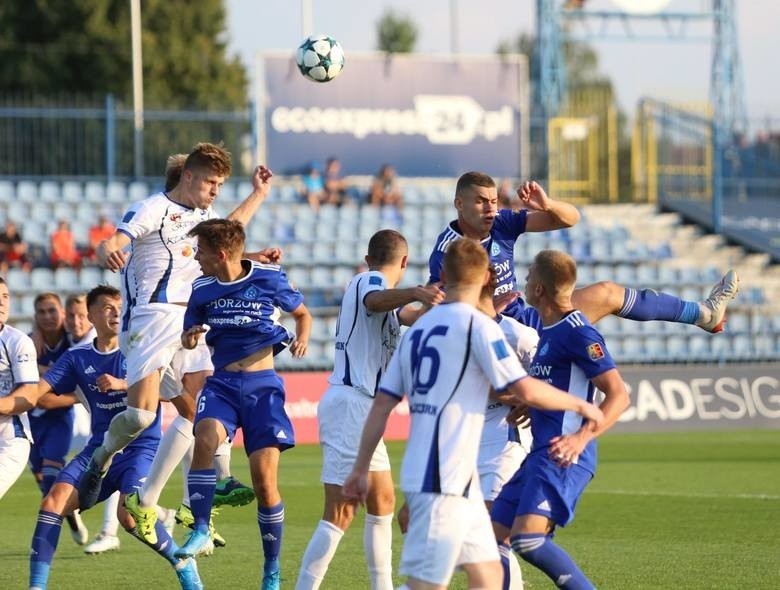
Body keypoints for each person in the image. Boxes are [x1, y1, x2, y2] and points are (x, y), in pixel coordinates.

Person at [343, 238, 604, 590]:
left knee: (489, 575)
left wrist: (360, 467)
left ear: (444, 276)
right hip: (444, 480)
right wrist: (580, 404)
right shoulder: (479, 327)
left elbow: (382, 406)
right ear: (485, 278)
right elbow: (523, 390)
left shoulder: (417, 332)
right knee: (426, 585)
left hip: (453, 476)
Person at [77, 143, 278, 531]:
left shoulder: (204, 216)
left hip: (188, 319)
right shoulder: (153, 208)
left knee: (201, 406)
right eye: (210, 182)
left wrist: (259, 197)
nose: (215, 190)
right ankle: (100, 458)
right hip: (150, 319)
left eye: (220, 184)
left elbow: (228, 234)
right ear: (188, 177)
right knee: (138, 416)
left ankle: (217, 482)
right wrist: (108, 249)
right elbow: (116, 239)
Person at [0, 285, 204, 590]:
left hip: (140, 449)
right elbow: (34, 395)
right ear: (91, 315)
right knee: (52, 503)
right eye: (107, 307)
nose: (116, 312)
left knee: (131, 517)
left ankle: (182, 562)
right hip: (98, 450)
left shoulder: (143, 351)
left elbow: (184, 406)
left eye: (119, 306)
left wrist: (132, 384)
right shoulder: (77, 358)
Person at [295, 229, 445, 590]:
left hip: (359, 407)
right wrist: (415, 291)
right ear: (405, 262)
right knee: (342, 510)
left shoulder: (383, 295)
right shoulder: (369, 281)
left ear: (367, 254)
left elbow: (408, 316)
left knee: (383, 502)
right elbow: (375, 301)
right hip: (351, 402)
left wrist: (441, 303)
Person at [172, 218, 312, 590]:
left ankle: (271, 569)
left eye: (200, 251)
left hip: (263, 386)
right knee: (204, 437)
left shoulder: (268, 278)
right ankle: (202, 528)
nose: (196, 257)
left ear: (219, 255)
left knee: (265, 484)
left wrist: (302, 338)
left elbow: (302, 313)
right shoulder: (201, 289)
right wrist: (189, 338)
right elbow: (189, 337)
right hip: (222, 384)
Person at [428, 172, 739, 335]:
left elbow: (571, 218)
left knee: (608, 292)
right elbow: (444, 308)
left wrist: (548, 205)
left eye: (494, 200)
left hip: (532, 319)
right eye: (482, 201)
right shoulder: (447, 251)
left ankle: (704, 314)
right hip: (501, 335)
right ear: (459, 204)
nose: (491, 208)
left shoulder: (503, 223)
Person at [491, 250, 631, 589]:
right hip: (539, 454)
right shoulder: (550, 332)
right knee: (489, 537)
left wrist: (581, 438)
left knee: (529, 540)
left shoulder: (578, 332)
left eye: (528, 276)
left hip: (563, 454)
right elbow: (558, 383)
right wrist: (531, 405)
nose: (522, 280)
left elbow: (619, 394)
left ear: (539, 289)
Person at [28, 293, 90, 545]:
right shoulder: (29, 342)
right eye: (41, 312)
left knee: (51, 478)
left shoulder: (72, 340)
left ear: (62, 314)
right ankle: (70, 514)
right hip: (31, 420)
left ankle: (47, 540)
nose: (47, 317)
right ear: (35, 316)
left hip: (59, 419)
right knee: (42, 480)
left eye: (52, 311)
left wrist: (39, 369)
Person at [0, 277, 39, 500]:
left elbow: (28, 397)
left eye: (5, 297)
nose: (1, 303)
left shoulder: (16, 341)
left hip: (8, 441)